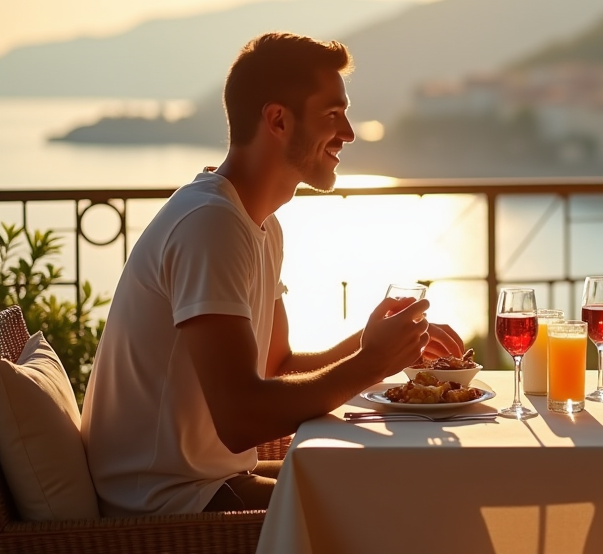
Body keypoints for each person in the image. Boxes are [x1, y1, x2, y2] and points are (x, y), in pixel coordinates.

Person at [81, 33, 464, 516]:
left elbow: (277, 365)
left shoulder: (259, 224)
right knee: (404, 506)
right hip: (164, 502)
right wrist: (370, 363)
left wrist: (374, 346)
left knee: (408, 477)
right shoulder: (210, 224)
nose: (348, 133)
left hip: (210, 480)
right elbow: (241, 419)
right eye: (332, 114)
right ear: (278, 120)